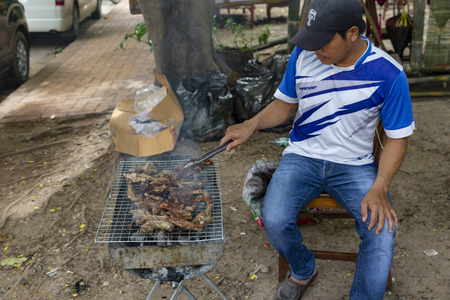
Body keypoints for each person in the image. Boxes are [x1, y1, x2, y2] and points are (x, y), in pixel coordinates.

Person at [220, 0, 415, 299]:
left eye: (323, 42)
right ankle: (303, 269)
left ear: (352, 33)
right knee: (273, 217)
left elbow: (397, 138)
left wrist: (380, 185)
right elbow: (286, 103)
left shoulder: (389, 73)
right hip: (302, 157)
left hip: (355, 166)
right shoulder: (304, 55)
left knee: (381, 231)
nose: (315, 50)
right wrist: (252, 124)